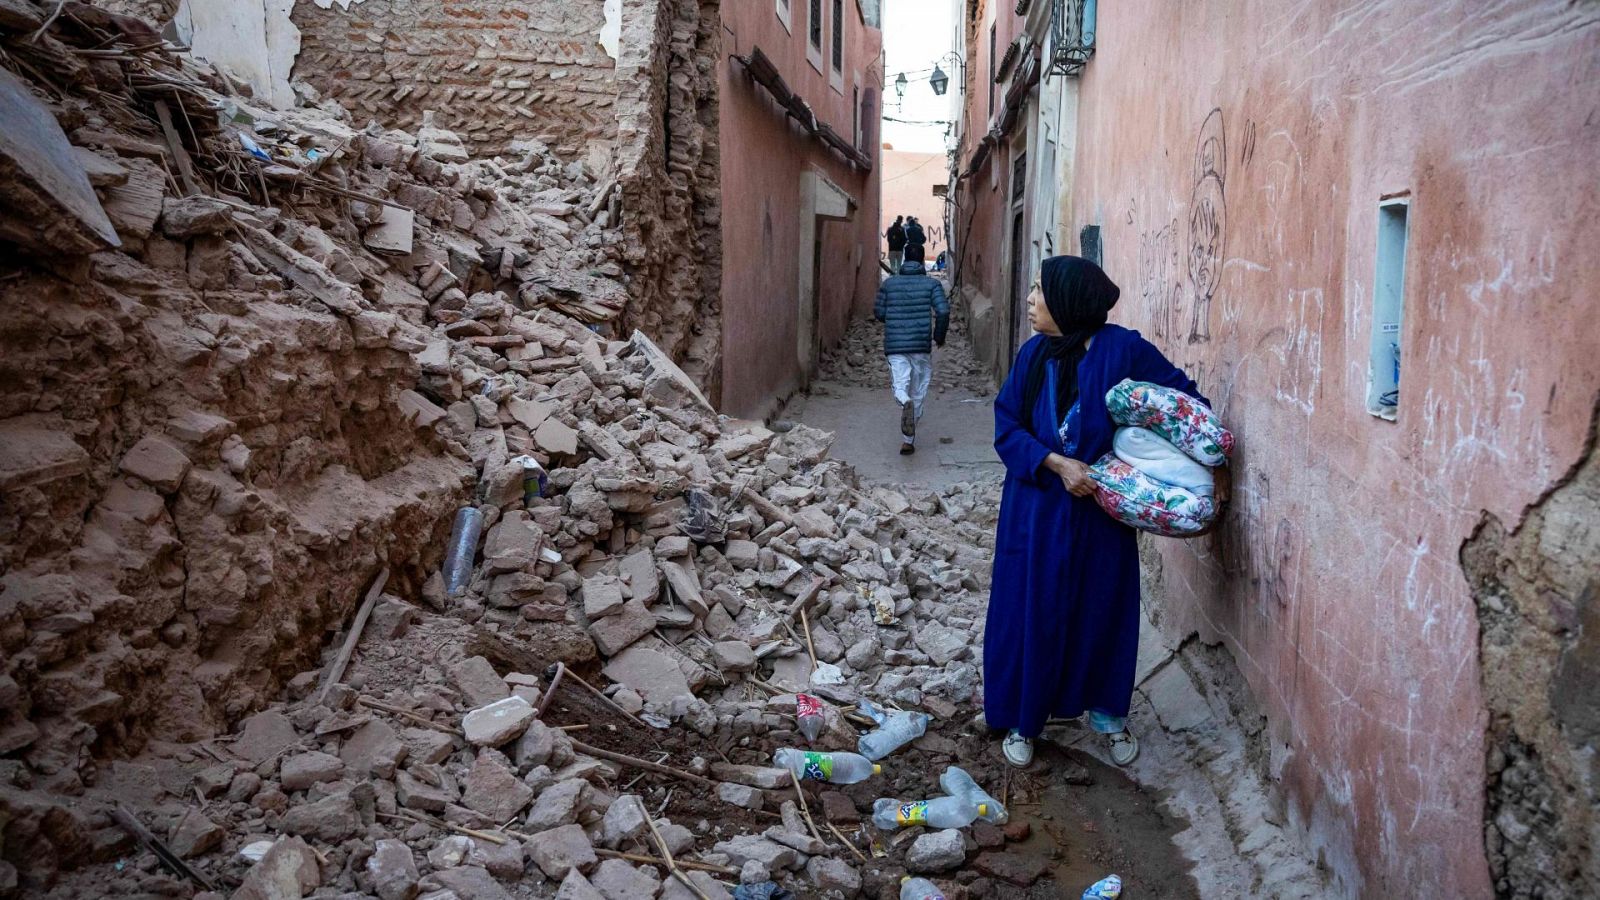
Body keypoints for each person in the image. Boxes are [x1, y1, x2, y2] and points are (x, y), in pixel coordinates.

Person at [983, 255, 1226, 768]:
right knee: (1033, 610)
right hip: (1037, 509)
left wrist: (1156, 462)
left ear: (1069, 302)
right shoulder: (1033, 357)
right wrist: (1055, 464)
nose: (1030, 301)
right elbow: (1007, 427)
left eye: (1039, 293)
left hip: (1101, 510)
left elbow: (1184, 403)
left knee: (1102, 608)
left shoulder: (1124, 350)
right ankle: (1026, 720)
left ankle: (1108, 715)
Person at [874, 244, 949, 455]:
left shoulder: (889, 284)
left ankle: (903, 402)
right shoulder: (932, 284)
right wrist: (939, 336)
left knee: (900, 385)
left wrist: (893, 320)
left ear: (905, 258)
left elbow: (878, 312)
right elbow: (943, 311)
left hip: (896, 345)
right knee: (918, 390)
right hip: (920, 345)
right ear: (922, 259)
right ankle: (908, 440)